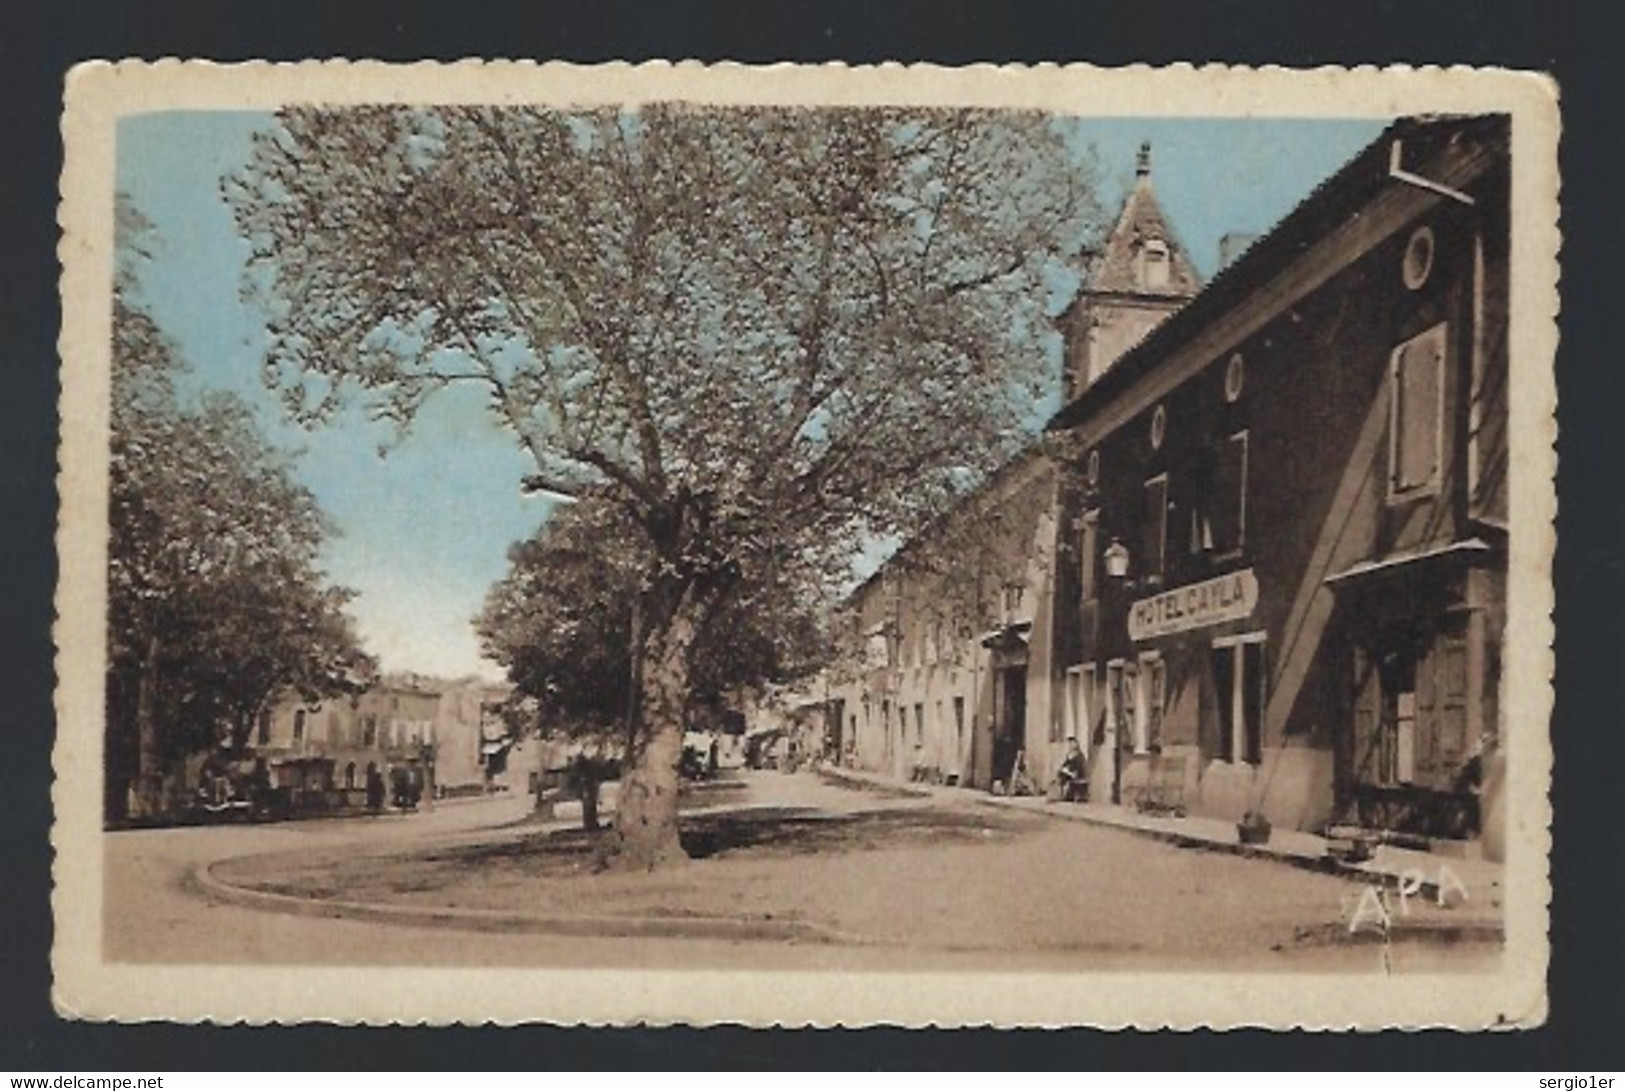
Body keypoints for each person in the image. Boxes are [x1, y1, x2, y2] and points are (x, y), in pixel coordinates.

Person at [1056, 736, 1088, 803]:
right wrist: (1063, 769)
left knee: (1065, 775)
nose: (1071, 745)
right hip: (1070, 774)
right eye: (1070, 744)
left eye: (1072, 743)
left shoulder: (1080, 756)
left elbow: (1079, 768)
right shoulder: (1069, 755)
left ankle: (1067, 794)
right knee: (1061, 773)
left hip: (1077, 774)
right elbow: (1065, 764)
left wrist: (1070, 772)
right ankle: (1061, 793)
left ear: (1076, 744)